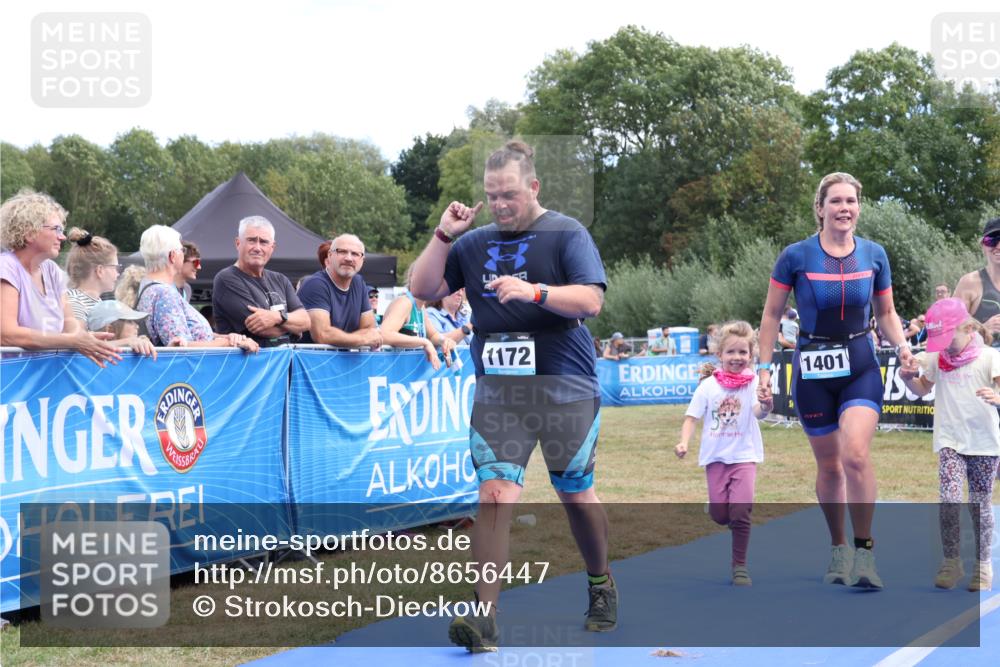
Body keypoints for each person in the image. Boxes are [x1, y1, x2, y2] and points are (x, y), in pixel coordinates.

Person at [409, 140, 615, 652]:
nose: (501, 205)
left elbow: (591, 299)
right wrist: (442, 235)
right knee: (495, 495)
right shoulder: (473, 243)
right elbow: (422, 287)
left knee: (575, 495)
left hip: (566, 387)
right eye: (491, 196)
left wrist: (535, 292)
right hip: (500, 393)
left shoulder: (567, 233)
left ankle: (600, 582)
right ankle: (485, 617)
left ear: (534, 187)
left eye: (510, 195)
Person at [756, 172, 914, 590]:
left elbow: (885, 314)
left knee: (856, 455)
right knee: (829, 465)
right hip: (812, 367)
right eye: (836, 201)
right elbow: (771, 316)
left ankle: (865, 551)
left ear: (859, 207)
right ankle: (839, 547)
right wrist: (764, 369)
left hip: (860, 362)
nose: (845, 208)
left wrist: (901, 345)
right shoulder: (795, 255)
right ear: (820, 208)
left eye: (851, 201)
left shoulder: (875, 255)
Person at [898, 298, 999, 592]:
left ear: (968, 327)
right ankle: (951, 561)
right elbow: (920, 388)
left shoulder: (990, 357)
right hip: (950, 441)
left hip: (983, 443)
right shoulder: (935, 358)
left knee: (979, 505)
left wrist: (997, 398)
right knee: (949, 499)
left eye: (949, 337)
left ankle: (983, 566)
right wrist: (907, 379)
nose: (945, 345)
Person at [674, 321, 773, 586]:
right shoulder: (708, 386)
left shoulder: (753, 383)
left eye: (743, 352)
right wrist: (683, 443)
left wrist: (766, 405)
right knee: (721, 515)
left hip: (744, 456)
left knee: (740, 512)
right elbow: (691, 418)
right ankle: (719, 509)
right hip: (715, 458)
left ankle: (739, 566)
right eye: (731, 352)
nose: (737, 358)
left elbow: (757, 413)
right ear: (720, 355)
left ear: (750, 355)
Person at [0, 189, 121, 367]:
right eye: (56, 229)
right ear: (29, 232)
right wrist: (70, 340)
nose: (62, 237)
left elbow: (70, 325)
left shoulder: (53, 272)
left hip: (45, 382)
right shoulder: (6, 268)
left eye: (62, 230)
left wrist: (84, 339)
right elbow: (7, 334)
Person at [134, 225, 258, 352]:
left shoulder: (149, 288)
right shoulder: (164, 294)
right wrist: (228, 344)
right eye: (181, 250)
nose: (183, 254)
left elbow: (188, 336)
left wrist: (226, 338)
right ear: (172, 256)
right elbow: (182, 347)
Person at [212, 216, 310, 347]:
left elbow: (306, 321)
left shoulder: (280, 279)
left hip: (284, 364)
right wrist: (293, 329)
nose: (257, 248)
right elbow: (264, 329)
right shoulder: (227, 279)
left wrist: (277, 317)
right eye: (251, 240)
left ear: (272, 247)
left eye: (263, 242)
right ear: (238, 243)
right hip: (248, 365)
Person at [297, 234, 382, 348]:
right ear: (330, 255)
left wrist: (345, 338)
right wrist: (363, 339)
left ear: (362, 260)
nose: (348, 258)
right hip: (312, 363)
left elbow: (369, 329)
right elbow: (323, 335)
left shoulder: (358, 282)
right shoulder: (315, 284)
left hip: (344, 362)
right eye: (342, 252)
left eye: (355, 254)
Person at [379, 287, 457, 370]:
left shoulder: (421, 307)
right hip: (392, 371)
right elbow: (383, 335)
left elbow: (432, 335)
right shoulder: (404, 303)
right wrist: (424, 342)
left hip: (405, 372)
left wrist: (444, 341)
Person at [955, 218, 1000, 348]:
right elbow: (950, 333)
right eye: (992, 240)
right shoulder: (969, 283)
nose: (998, 246)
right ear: (983, 245)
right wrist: (983, 330)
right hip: (982, 364)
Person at [64, 228, 122, 322]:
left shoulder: (94, 301)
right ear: (100, 271)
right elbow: (79, 336)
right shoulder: (75, 305)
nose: (117, 273)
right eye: (115, 267)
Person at [86, 299, 157, 359]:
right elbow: (91, 349)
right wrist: (128, 341)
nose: (137, 326)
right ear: (110, 330)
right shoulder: (85, 356)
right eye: (129, 321)